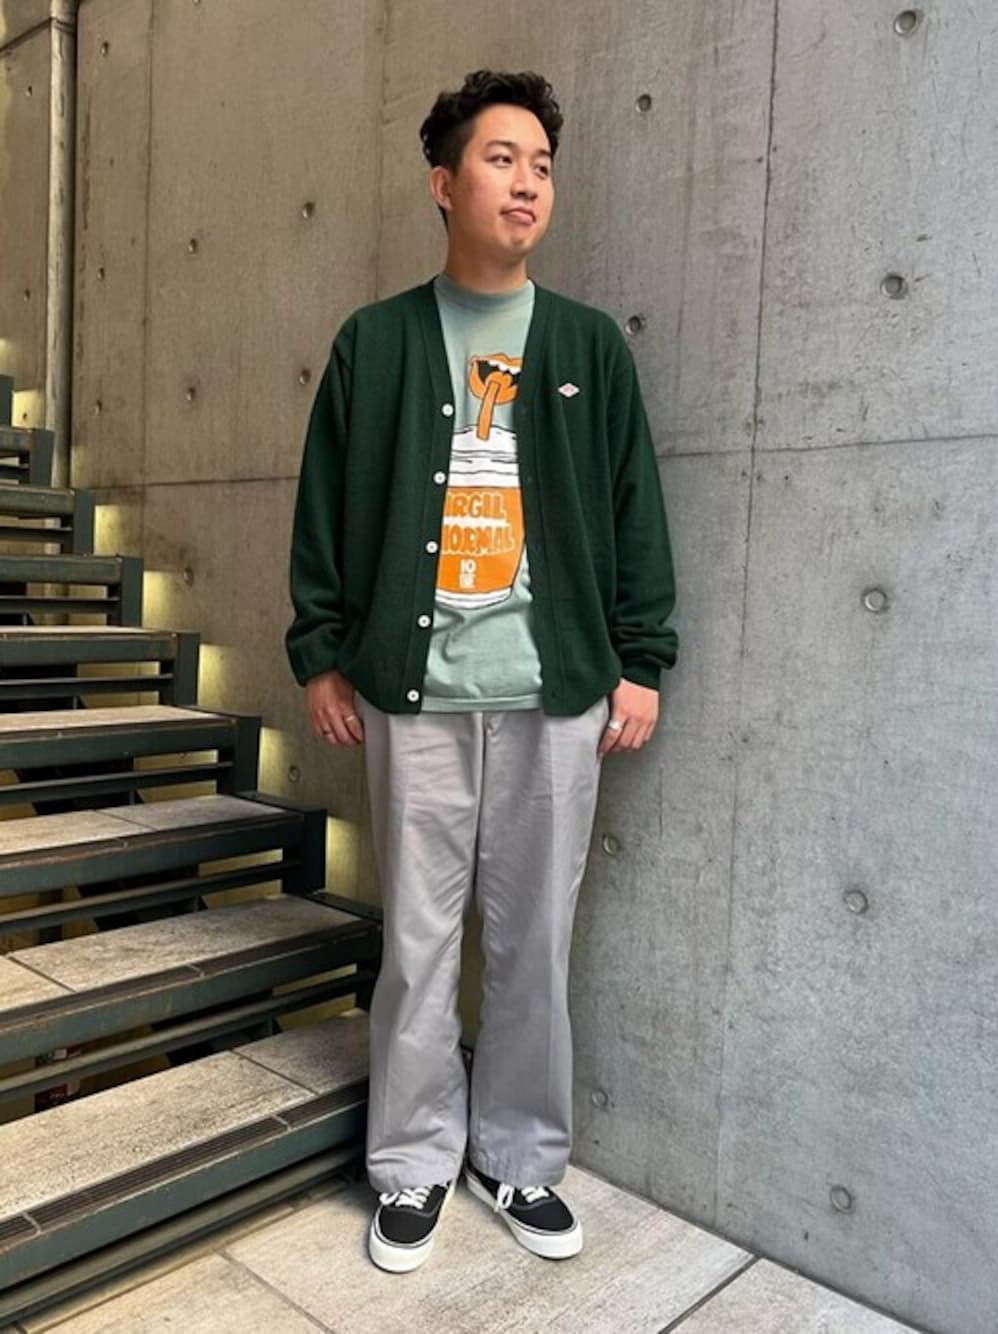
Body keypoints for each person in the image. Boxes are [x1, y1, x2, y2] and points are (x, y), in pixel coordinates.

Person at [285, 68, 678, 1275]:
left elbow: (635, 509)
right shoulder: (377, 342)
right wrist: (320, 648)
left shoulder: (587, 346)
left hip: (556, 696)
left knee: (534, 945)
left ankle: (517, 1154)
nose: (526, 182)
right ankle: (411, 1160)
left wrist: (642, 658)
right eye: (501, 159)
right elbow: (323, 509)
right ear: (443, 184)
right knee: (417, 942)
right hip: (413, 697)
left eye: (541, 166)